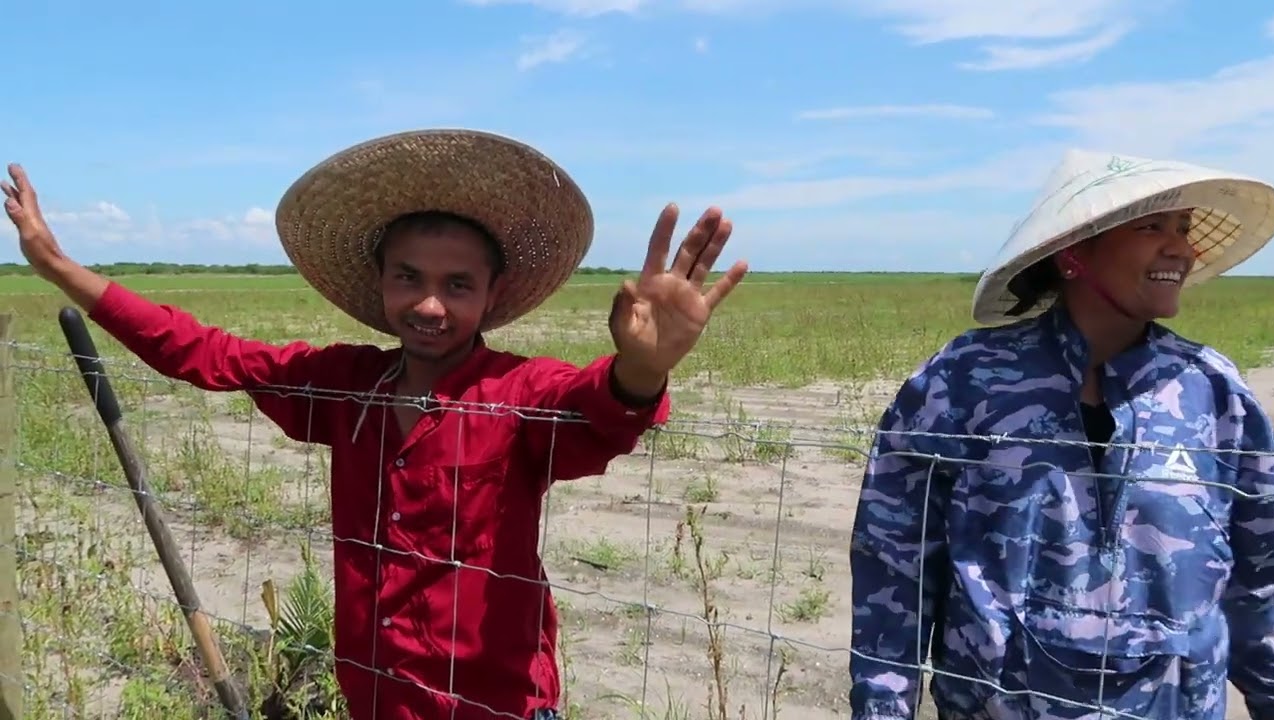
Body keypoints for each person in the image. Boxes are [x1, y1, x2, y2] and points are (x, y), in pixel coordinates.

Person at [3, 129, 749, 720]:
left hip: (490, 706)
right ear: (381, 285)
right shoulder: (347, 384)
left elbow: (599, 410)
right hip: (373, 693)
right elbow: (206, 352)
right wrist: (62, 268)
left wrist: (643, 369)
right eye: (409, 278)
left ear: (492, 297)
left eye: (458, 285)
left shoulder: (518, 393)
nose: (430, 305)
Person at [847, 149, 1274, 720]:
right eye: (1152, 226)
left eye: (1183, 228)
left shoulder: (1216, 394)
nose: (1181, 247)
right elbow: (894, 566)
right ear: (1075, 253)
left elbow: (1264, 590)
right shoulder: (962, 384)